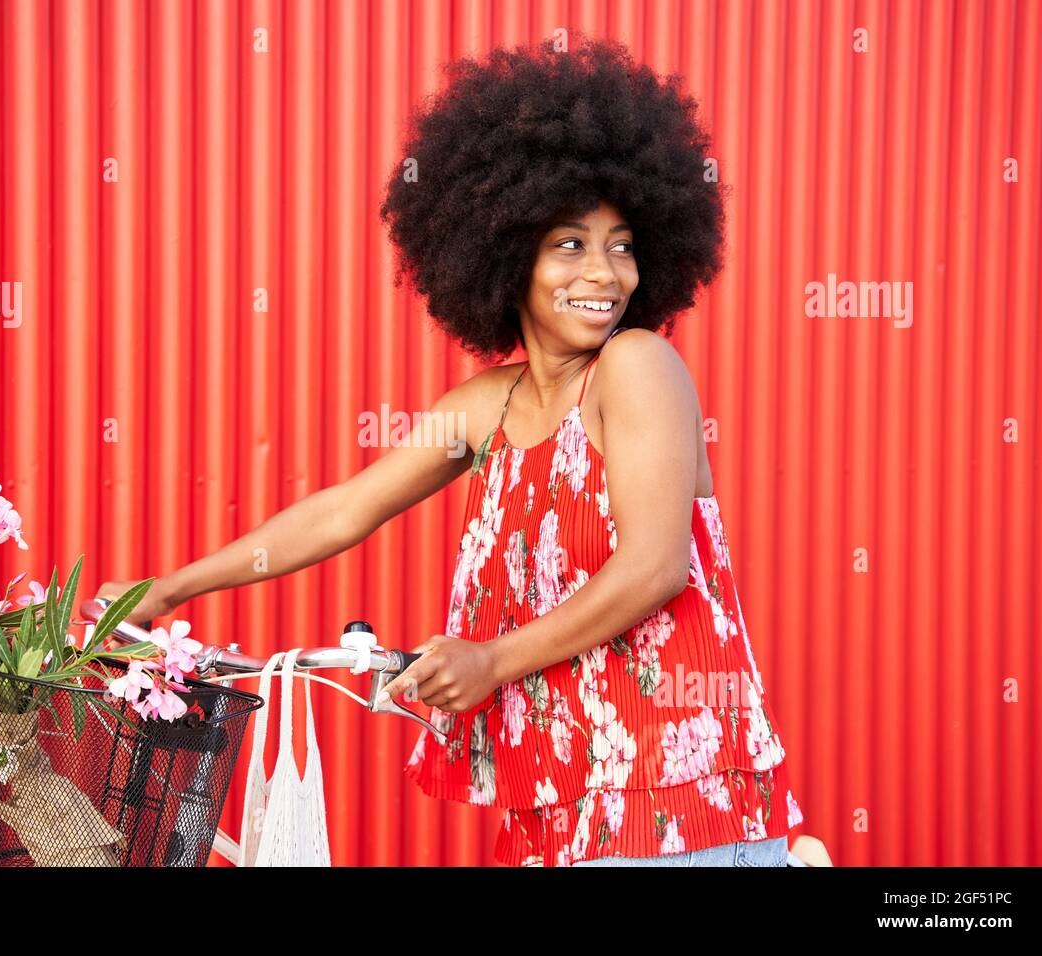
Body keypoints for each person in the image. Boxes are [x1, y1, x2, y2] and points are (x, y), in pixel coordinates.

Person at [96, 33, 802, 867]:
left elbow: (655, 566)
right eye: (569, 243)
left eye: (622, 245)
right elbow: (344, 511)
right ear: (507, 254)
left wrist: (490, 659)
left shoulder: (637, 368)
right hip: (555, 802)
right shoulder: (485, 408)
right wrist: (167, 591)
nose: (605, 272)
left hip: (669, 803)